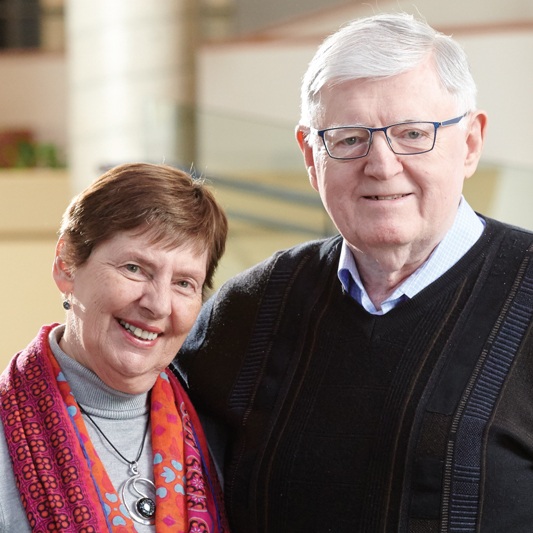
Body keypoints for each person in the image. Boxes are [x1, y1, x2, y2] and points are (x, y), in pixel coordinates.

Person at [173, 12, 533, 532]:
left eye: (413, 134)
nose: (381, 164)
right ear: (310, 155)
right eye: (348, 139)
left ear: (471, 143)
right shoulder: (252, 308)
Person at [0, 163, 230, 532]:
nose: (158, 305)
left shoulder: (219, 435)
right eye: (135, 268)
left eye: (184, 283)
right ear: (66, 265)